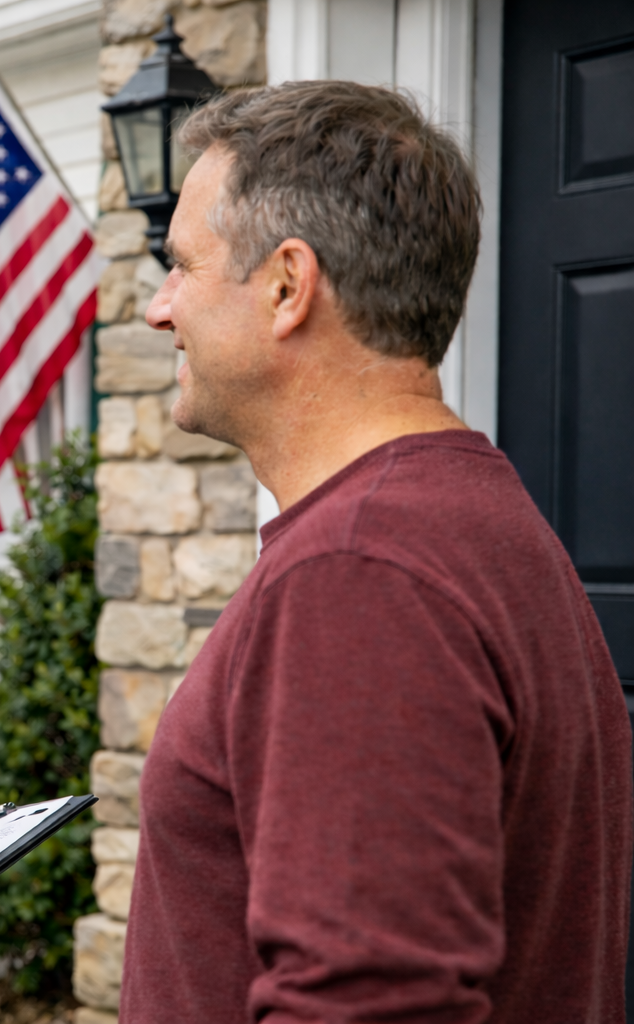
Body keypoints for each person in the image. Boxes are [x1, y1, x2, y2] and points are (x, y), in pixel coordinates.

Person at [120, 82, 631, 1023]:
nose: (159, 309)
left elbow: (368, 1002)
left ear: (287, 285)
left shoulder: (360, 571)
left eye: (182, 265)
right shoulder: (471, 520)